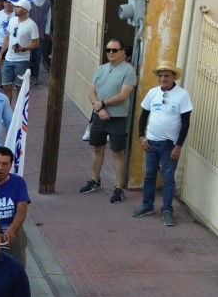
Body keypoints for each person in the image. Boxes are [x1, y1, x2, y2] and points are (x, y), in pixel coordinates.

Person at [132, 61, 193, 227]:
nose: (162, 78)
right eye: (160, 76)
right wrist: (141, 137)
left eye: (166, 75)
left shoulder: (182, 95)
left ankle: (167, 210)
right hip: (151, 143)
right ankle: (147, 205)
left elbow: (186, 123)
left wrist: (178, 146)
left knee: (168, 179)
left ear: (173, 77)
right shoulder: (152, 93)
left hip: (169, 146)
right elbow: (143, 116)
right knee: (149, 175)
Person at [80, 38, 138, 204]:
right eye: (108, 50)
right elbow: (91, 92)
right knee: (97, 149)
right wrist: (99, 109)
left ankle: (119, 188)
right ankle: (95, 180)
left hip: (118, 118)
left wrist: (103, 104)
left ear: (122, 52)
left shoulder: (128, 71)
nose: (111, 53)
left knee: (117, 153)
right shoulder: (101, 69)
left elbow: (124, 95)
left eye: (114, 50)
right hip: (100, 116)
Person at [0, 0, 39, 103]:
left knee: (20, 87)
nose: (15, 9)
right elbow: (7, 38)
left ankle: (18, 112)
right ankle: (7, 110)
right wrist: (1, 53)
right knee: (6, 85)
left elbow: (36, 43)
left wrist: (23, 48)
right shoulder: (12, 20)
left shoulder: (32, 25)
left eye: (18, 7)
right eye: (15, 7)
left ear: (25, 10)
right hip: (9, 58)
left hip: (22, 60)